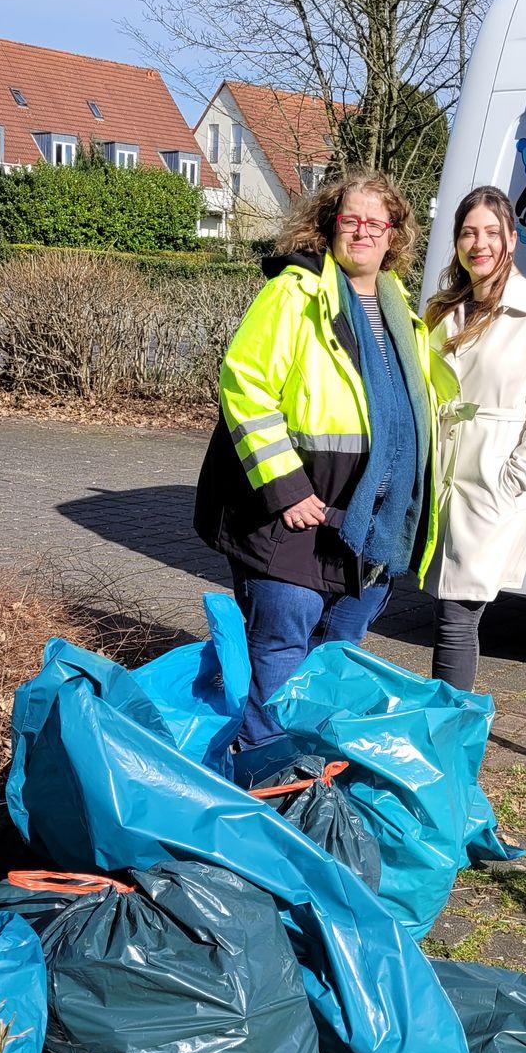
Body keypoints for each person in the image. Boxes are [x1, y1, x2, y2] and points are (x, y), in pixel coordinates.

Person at [195, 170, 451, 749]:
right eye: (351, 220)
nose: (362, 232)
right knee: (282, 655)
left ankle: (309, 772)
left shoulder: (402, 315)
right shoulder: (294, 294)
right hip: (294, 520)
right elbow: (245, 384)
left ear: (394, 235)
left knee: (334, 664)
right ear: (331, 226)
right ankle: (266, 780)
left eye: (375, 223)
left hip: (364, 533)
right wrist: (285, 486)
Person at [422, 185, 526, 691]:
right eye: (468, 232)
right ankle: (443, 735)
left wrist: (513, 479)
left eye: (491, 232)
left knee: (458, 616)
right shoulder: (442, 309)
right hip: (439, 475)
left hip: (492, 478)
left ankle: (448, 740)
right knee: (442, 611)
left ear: (512, 237)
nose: (479, 243)